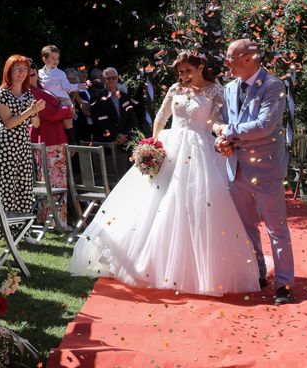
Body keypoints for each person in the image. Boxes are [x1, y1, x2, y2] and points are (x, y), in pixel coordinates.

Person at [70, 51, 260, 296]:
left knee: (198, 204)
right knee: (157, 203)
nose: (183, 76)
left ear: (200, 68)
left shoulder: (215, 90)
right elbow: (161, 118)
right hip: (171, 150)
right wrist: (152, 144)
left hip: (200, 150)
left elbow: (214, 120)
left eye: (187, 71)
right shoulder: (175, 89)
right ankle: (149, 260)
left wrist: (220, 130)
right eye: (180, 72)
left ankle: (194, 266)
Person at [212, 39, 295, 306]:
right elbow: (221, 122)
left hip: (266, 169)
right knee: (246, 228)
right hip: (236, 169)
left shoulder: (273, 86)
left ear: (249, 58)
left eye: (231, 58)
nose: (227, 63)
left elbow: (265, 126)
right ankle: (257, 274)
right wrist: (221, 142)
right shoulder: (228, 88)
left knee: (276, 229)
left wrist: (229, 133)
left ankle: (284, 284)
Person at [0, 55, 45, 239]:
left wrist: (35, 111)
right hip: (6, 143)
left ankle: (25, 231)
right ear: (9, 71)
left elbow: (37, 124)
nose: (22, 73)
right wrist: (30, 111)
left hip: (23, 142)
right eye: (18, 69)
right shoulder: (1, 94)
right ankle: (4, 232)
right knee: (7, 187)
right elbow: (9, 123)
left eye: (25, 69)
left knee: (24, 187)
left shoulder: (29, 93)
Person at [28, 61, 73, 231]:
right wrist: (68, 110)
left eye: (34, 71)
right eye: (29, 73)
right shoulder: (30, 92)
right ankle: (57, 222)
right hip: (48, 139)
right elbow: (49, 114)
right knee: (53, 181)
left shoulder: (42, 88)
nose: (33, 74)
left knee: (53, 180)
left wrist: (63, 109)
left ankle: (48, 220)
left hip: (54, 137)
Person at [90, 67, 140, 179]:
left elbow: (132, 118)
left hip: (125, 142)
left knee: (127, 176)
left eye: (114, 78)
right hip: (107, 142)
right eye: (108, 78)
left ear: (118, 79)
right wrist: (116, 135)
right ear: (103, 79)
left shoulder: (124, 96)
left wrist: (125, 134)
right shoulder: (97, 97)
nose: (111, 80)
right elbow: (100, 120)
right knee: (110, 177)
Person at [38, 45, 85, 142]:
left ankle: (72, 143)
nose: (56, 61)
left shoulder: (60, 73)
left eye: (57, 58)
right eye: (53, 58)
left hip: (62, 99)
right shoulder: (39, 73)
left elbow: (67, 87)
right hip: (49, 101)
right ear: (44, 59)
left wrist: (77, 86)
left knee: (68, 121)